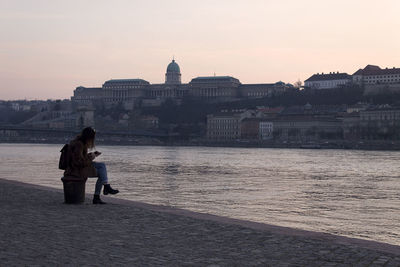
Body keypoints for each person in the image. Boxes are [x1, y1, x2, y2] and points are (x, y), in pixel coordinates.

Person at [64, 127, 119, 204]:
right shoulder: (79, 144)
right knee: (101, 171)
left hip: (76, 167)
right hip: (76, 170)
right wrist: (92, 157)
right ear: (89, 137)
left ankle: (105, 187)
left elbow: (80, 158)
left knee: (102, 167)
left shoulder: (79, 142)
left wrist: (91, 155)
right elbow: (78, 162)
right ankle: (100, 194)